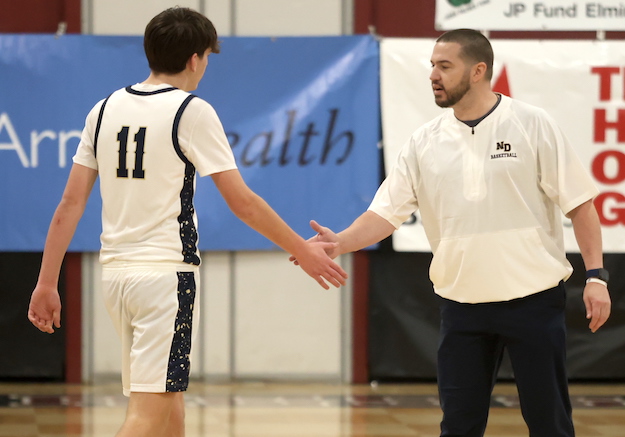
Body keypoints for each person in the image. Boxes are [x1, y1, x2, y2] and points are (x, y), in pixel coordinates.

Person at [27, 7, 347, 437]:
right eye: (207, 58)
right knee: (147, 416)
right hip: (164, 280)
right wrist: (301, 249)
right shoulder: (191, 110)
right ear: (195, 59)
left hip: (116, 278)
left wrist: (47, 282)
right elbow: (243, 203)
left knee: (168, 404)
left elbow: (69, 203)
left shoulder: (102, 110)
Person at [295, 29, 611, 437]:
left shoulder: (532, 124)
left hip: (533, 299)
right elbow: (384, 214)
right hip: (462, 305)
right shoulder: (423, 141)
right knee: (459, 426)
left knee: (549, 422)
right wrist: (339, 241)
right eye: (432, 65)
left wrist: (596, 276)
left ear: (478, 71)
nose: (433, 75)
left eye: (444, 66)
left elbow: (580, 204)